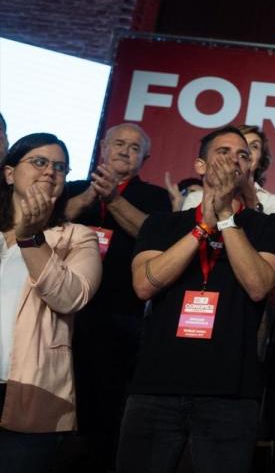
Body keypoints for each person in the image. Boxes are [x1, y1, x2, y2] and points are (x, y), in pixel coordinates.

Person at [116, 126, 275, 472]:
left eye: (243, 155)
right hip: (156, 388)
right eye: (223, 151)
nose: (234, 160)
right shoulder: (162, 224)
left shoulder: (270, 229)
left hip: (231, 394)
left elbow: (258, 285)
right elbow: (144, 285)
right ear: (200, 165)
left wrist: (225, 219)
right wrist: (201, 228)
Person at [63, 122, 171, 472]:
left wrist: (114, 198)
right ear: (102, 148)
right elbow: (52, 224)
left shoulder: (154, 197)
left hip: (123, 313)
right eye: (118, 144)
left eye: (134, 147)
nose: (125, 151)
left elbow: (152, 235)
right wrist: (87, 198)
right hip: (67, 310)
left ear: (145, 158)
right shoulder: (74, 188)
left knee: (108, 404)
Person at [0, 133, 102, 472]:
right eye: (40, 162)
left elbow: (70, 297)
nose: (50, 172)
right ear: (10, 173)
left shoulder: (77, 237)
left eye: (60, 167)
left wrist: (30, 238)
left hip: (30, 392)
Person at [182, 124, 275, 215]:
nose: (247, 151)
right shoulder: (197, 198)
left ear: (261, 160)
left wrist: (251, 198)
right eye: (243, 145)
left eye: (254, 146)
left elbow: (269, 236)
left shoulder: (273, 201)